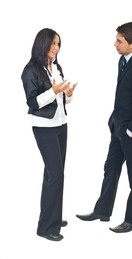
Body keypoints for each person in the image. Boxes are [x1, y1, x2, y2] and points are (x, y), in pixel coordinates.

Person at [76, 22, 132, 233]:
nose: (115, 44)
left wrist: (130, 130)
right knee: (110, 169)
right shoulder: (123, 59)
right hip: (117, 127)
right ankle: (102, 211)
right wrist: (115, 123)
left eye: (119, 41)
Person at [21, 28, 77, 241]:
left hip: (61, 124)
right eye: (53, 44)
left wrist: (67, 95)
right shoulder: (30, 71)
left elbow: (60, 100)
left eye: (58, 44)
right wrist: (53, 92)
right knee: (55, 174)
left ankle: (53, 216)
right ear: (42, 44)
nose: (56, 48)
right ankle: (46, 227)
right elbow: (33, 103)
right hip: (44, 127)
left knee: (55, 173)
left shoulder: (56, 66)